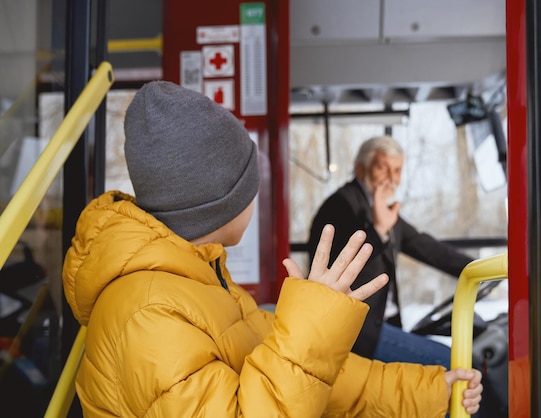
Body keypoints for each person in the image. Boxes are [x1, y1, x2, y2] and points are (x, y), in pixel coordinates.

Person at [62, 81, 483, 417]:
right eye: (248, 185)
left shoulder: (206, 279)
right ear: (219, 201)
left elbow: (323, 381)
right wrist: (314, 322)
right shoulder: (148, 314)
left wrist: (431, 392)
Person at [308, 135, 474, 368]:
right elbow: (341, 269)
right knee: (449, 361)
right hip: (356, 331)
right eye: (382, 168)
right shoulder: (339, 206)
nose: (391, 178)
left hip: (385, 325)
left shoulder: (382, 211)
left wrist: (476, 268)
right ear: (360, 168)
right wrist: (378, 229)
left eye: (397, 170)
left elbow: (424, 246)